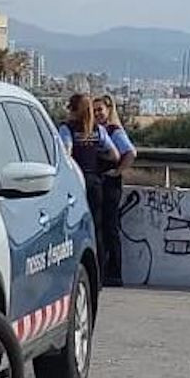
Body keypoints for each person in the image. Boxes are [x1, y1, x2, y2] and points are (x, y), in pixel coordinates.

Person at [58, 93, 122, 285]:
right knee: (97, 229)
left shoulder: (67, 128)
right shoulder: (98, 130)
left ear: (74, 110)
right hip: (95, 184)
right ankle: (99, 275)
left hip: (76, 184)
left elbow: (65, 153)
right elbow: (114, 155)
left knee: (72, 229)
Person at [94, 95, 136, 286]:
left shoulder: (114, 131)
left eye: (100, 110)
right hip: (99, 183)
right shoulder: (96, 131)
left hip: (110, 185)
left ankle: (114, 271)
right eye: (93, 111)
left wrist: (117, 171)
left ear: (109, 110)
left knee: (110, 227)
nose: (97, 114)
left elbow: (130, 153)